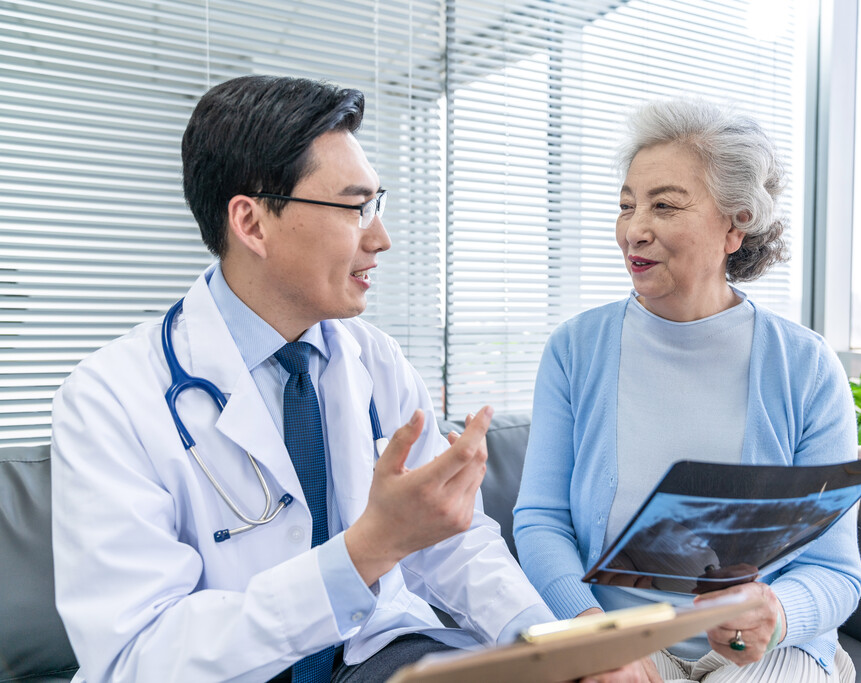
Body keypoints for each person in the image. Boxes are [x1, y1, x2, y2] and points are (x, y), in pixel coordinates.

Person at [49, 75, 557, 683]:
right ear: (253, 223)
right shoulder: (109, 398)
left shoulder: (376, 362)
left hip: (373, 652)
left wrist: (551, 643)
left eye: (376, 203)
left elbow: (454, 542)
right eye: (352, 207)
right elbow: (139, 656)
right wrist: (365, 551)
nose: (381, 238)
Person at [513, 97, 861, 683]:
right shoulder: (575, 349)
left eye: (665, 206)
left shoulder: (806, 365)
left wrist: (778, 614)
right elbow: (541, 520)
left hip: (769, 651)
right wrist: (595, 636)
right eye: (626, 207)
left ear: (735, 223)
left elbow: (836, 570)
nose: (634, 230)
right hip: (619, 635)